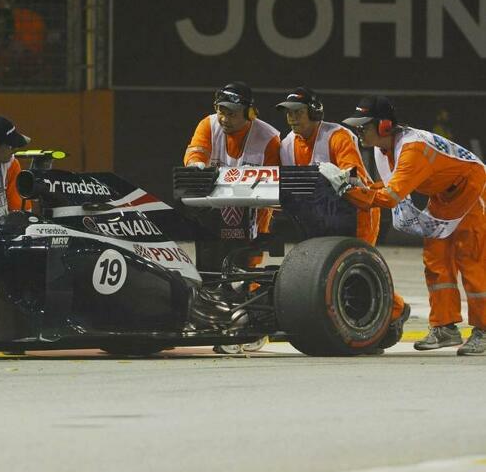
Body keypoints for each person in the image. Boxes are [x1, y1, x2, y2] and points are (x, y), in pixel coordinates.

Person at [329, 95, 486, 356]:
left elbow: (390, 199)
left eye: (364, 126)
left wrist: (349, 191)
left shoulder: (412, 150)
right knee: (436, 258)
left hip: (472, 186)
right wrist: (361, 188)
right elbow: (387, 189)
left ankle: (484, 330)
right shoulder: (384, 149)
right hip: (445, 193)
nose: (359, 131)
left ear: (384, 126)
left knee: (472, 259)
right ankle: (445, 328)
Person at [275, 87, 410, 350]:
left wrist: (336, 175)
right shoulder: (286, 144)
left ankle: (394, 310)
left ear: (314, 112)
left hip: (356, 212)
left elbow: (354, 178)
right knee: (322, 275)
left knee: (351, 271)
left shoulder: (337, 136)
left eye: (298, 112)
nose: (292, 119)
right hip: (316, 216)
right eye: (288, 113)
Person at [184, 81, 280, 354]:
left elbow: (275, 186)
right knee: (210, 272)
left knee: (244, 273)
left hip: (254, 212)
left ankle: (253, 328)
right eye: (221, 110)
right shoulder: (209, 124)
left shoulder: (269, 138)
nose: (224, 118)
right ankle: (212, 321)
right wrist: (196, 165)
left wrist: (261, 230)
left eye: (232, 113)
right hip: (214, 212)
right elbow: (196, 150)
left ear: (250, 113)